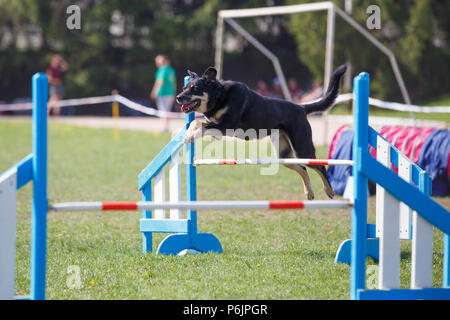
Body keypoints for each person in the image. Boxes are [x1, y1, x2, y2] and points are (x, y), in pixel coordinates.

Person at [150, 54, 176, 132]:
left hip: (162, 93)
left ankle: (165, 128)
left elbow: (160, 81)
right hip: (170, 93)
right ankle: (166, 126)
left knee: (163, 111)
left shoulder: (162, 70)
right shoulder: (171, 70)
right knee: (167, 111)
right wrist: (174, 94)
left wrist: (154, 91)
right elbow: (174, 83)